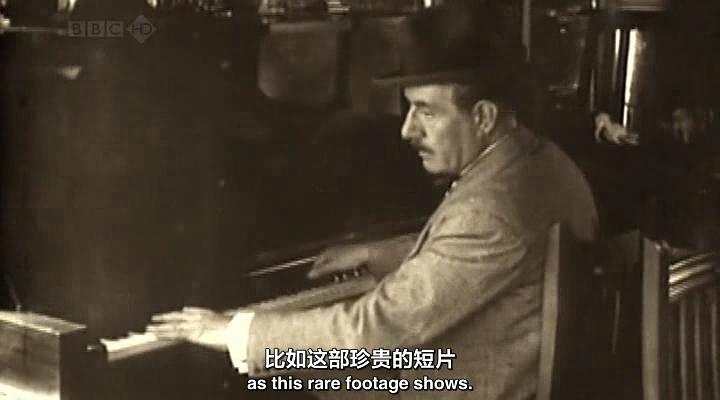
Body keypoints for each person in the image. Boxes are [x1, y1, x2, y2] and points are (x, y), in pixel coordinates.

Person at [147, 2, 599, 399]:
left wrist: (236, 330)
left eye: (426, 112)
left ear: (482, 116)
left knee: (271, 381)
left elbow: (373, 332)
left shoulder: (490, 212)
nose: (407, 130)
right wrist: (385, 253)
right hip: (481, 372)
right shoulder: (541, 162)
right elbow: (480, 260)